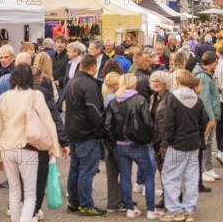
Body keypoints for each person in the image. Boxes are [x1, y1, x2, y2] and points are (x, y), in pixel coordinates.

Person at [0, 64, 60, 222]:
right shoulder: (36, 95)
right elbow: (48, 122)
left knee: (14, 192)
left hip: (8, 147)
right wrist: (54, 148)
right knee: (30, 193)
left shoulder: (4, 97)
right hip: (28, 147)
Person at [105, 71, 163, 219]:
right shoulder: (140, 100)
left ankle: (129, 208)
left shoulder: (114, 101)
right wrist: (150, 139)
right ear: (132, 84)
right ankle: (150, 209)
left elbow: (107, 125)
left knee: (125, 175)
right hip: (139, 144)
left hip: (120, 145)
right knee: (149, 175)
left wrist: (113, 144)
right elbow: (148, 122)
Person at [160, 70, 209, 222]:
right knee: (191, 178)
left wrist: (164, 143)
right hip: (193, 143)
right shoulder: (197, 99)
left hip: (176, 143)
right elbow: (204, 121)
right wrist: (199, 134)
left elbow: (169, 124)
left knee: (171, 177)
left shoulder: (173, 98)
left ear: (178, 82)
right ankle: (189, 210)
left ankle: (175, 210)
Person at [64, 54, 108, 216]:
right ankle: (86, 204)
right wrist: (100, 132)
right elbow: (94, 111)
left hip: (73, 132)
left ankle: (74, 202)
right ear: (94, 67)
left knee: (76, 168)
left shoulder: (72, 82)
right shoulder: (89, 84)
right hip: (86, 134)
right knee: (87, 171)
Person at [31, 66, 70, 221]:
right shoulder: (44, 94)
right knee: (40, 178)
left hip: (21, 143)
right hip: (41, 141)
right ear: (40, 80)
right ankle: (34, 210)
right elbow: (55, 119)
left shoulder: (12, 94)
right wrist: (63, 142)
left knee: (23, 179)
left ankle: (19, 208)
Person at [102, 73, 133, 214]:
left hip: (107, 140)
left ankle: (114, 202)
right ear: (116, 85)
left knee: (112, 173)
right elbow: (111, 123)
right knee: (124, 171)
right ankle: (125, 201)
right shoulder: (114, 99)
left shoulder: (105, 96)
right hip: (116, 140)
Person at [193, 51, 221, 184]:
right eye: (215, 62)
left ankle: (208, 168)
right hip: (206, 116)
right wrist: (211, 117)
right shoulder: (203, 77)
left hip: (208, 114)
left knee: (208, 142)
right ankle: (204, 169)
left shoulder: (207, 75)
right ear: (210, 63)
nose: (217, 65)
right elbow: (205, 99)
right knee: (205, 143)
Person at [149, 70, 173, 209]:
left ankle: (173, 199)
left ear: (165, 83)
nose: (156, 83)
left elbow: (170, 123)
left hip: (166, 140)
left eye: (159, 81)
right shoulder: (153, 97)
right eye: (154, 81)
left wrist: (165, 142)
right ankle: (166, 197)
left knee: (168, 171)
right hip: (156, 139)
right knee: (162, 170)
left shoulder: (169, 98)